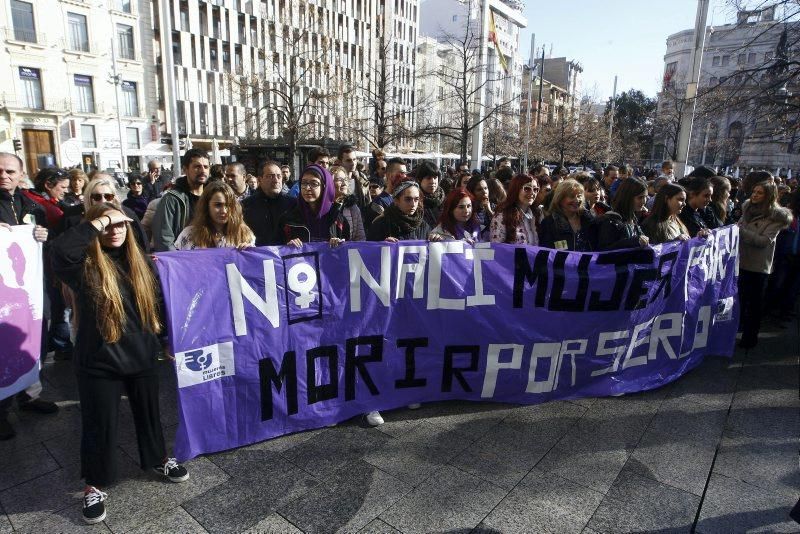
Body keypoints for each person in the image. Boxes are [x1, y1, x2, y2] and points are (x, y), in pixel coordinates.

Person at [51, 203, 189, 524]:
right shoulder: (84, 265)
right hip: (99, 360)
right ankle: (94, 484)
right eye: (107, 226)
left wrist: (167, 339)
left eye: (121, 225)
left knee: (149, 414)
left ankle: (158, 458)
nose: (115, 230)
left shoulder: (141, 262)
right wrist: (99, 221)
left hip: (141, 354)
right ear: (96, 229)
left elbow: (158, 303)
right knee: (99, 423)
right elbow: (59, 251)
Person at [0, 152, 57, 440]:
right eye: (0, 171)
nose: (4, 176)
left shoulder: (33, 206)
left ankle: (29, 395)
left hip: (33, 288)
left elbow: (51, 243)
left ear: (21, 174)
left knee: (37, 337)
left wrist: (45, 238)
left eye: (10, 171)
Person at [737, 180, 792, 348]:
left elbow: (764, 241)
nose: (754, 195)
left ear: (769, 196)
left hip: (758, 267)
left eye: (759, 193)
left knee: (754, 305)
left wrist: (742, 232)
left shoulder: (776, 217)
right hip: (740, 261)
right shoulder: (747, 208)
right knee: (739, 301)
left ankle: (749, 338)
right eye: (754, 191)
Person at [151, 149, 210, 251]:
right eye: (197, 167)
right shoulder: (171, 199)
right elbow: (164, 240)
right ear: (185, 169)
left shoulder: (213, 197)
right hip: (183, 260)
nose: (203, 170)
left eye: (206, 167)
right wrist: (180, 262)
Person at [278, 164, 349, 246]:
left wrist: (340, 245)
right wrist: (287, 246)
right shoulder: (288, 219)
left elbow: (349, 253)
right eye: (303, 183)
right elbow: (276, 251)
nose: (307, 188)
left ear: (324, 187)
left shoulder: (338, 220)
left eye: (314, 184)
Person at [175, 182, 255, 250]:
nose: (224, 211)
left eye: (228, 205)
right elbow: (176, 263)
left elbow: (253, 266)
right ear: (206, 206)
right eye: (218, 205)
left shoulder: (244, 234)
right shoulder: (189, 235)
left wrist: (249, 253)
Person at [242, 160, 297, 246]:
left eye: (279, 176)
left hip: (285, 256)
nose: (276, 180)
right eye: (270, 176)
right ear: (260, 179)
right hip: (257, 256)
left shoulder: (293, 204)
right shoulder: (246, 205)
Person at [595, 178, 649, 250]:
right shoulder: (610, 221)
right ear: (628, 197)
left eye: (645, 197)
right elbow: (604, 251)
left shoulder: (633, 217)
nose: (644, 201)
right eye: (640, 197)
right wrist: (632, 242)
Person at [539, 179, 593, 251]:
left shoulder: (589, 220)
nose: (576, 200)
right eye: (572, 196)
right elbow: (546, 254)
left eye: (579, 196)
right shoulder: (549, 223)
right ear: (560, 199)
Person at [490, 174, 540, 245]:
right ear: (516, 190)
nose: (532, 193)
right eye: (527, 188)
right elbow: (497, 247)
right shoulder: (502, 216)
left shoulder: (536, 215)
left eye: (535, 189)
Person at [331, 165, 365, 241]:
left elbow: (360, 237)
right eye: (339, 180)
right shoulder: (324, 208)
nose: (344, 183)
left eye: (345, 179)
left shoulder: (353, 208)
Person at [415, 161, 444, 229]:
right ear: (420, 180)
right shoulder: (414, 200)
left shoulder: (443, 198)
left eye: (435, 177)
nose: (433, 181)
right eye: (428, 178)